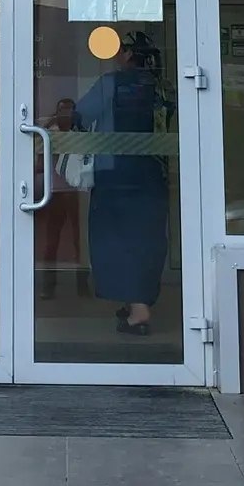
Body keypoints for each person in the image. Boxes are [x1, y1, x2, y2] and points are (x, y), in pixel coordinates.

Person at [75, 31, 170, 336]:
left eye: (121, 49)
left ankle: (138, 311)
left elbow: (82, 114)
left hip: (114, 174)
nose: (116, 55)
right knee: (146, 238)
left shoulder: (111, 83)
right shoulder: (160, 87)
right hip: (153, 173)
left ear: (129, 54)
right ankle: (137, 301)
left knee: (115, 238)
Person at [38, 97, 86, 300]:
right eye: (62, 111)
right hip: (56, 191)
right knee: (52, 241)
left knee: (79, 241)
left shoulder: (79, 132)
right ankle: (48, 286)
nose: (66, 115)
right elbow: (39, 161)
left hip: (75, 191)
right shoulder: (50, 133)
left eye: (69, 111)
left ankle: (83, 286)